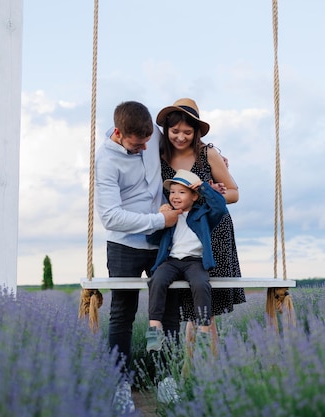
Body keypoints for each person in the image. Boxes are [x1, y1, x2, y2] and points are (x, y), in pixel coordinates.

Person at [94, 100, 182, 413]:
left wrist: (213, 159)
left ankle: (165, 379)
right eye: (136, 143)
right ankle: (121, 386)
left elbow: (182, 140)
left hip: (161, 244)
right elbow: (111, 217)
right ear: (118, 133)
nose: (144, 148)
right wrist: (159, 220)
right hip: (124, 246)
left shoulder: (152, 137)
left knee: (165, 313)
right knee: (122, 314)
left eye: (147, 142)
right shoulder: (105, 160)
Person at [156, 98, 246, 352]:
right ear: (166, 130)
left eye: (187, 132)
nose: (181, 137)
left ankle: (206, 371)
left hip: (212, 233)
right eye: (175, 131)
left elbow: (234, 193)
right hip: (179, 238)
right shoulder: (159, 155)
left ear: (196, 132)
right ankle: (192, 370)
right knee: (187, 308)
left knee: (207, 311)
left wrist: (203, 197)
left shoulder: (209, 153)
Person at [145, 169, 228, 354]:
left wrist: (204, 188)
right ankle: (154, 326)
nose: (175, 196)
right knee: (156, 280)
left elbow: (221, 208)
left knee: (201, 284)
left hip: (195, 261)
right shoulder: (170, 215)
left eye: (181, 192)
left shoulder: (203, 215)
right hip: (172, 260)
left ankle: (204, 330)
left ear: (194, 197)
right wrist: (161, 219)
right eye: (172, 192)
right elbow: (151, 239)